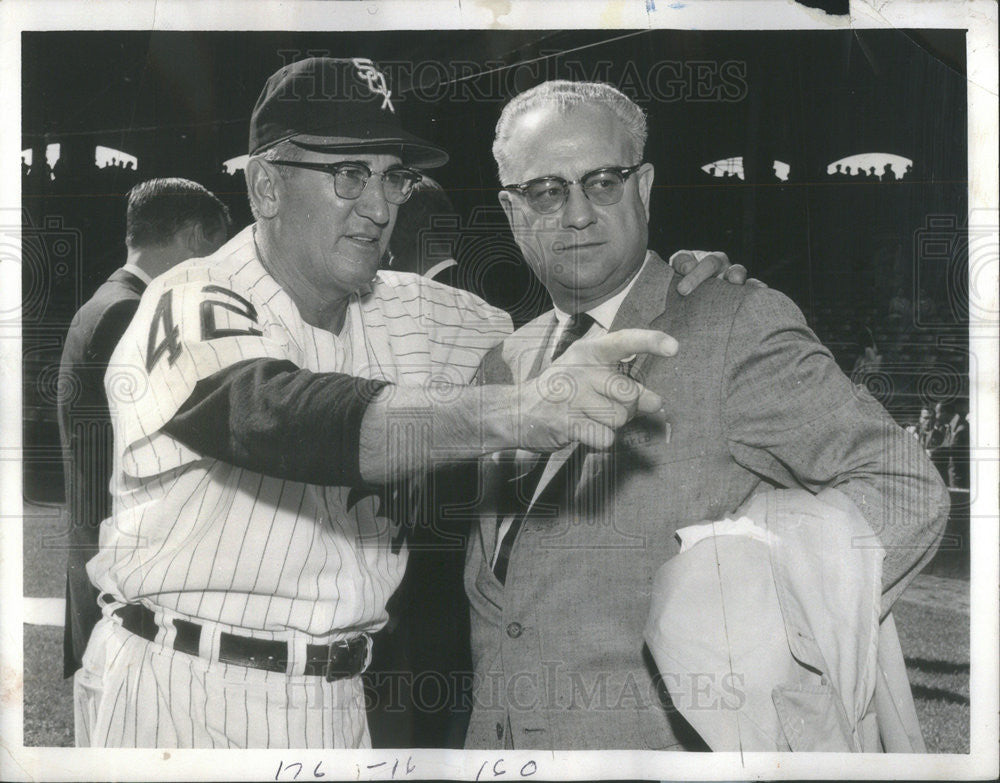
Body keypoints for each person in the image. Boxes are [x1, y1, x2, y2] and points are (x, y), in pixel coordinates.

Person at [76, 57, 737, 750]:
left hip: (338, 702)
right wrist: (518, 410)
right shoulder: (191, 297)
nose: (380, 205)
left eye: (393, 176)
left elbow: (566, 336)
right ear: (265, 185)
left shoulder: (416, 311)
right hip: (183, 687)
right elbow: (277, 414)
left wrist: (676, 284)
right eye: (348, 174)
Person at [462, 80, 950, 751]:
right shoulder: (502, 365)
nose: (576, 212)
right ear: (511, 210)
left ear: (647, 187)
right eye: (546, 190)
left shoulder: (733, 324)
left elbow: (906, 487)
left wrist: (754, 619)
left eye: (604, 181)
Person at [57, 178, 229, 691]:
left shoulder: (107, 301)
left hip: (104, 567)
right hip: (124, 586)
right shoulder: (131, 313)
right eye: (217, 248)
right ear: (197, 236)